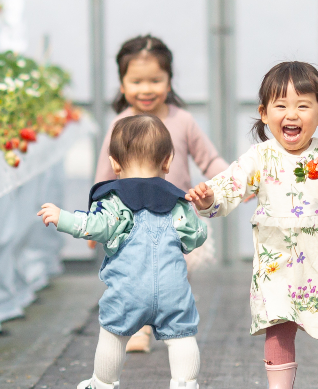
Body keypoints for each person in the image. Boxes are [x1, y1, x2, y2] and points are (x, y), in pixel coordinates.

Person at [186, 61, 318, 389]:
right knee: (278, 322)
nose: (292, 114)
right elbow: (231, 185)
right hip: (277, 258)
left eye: (303, 105)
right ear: (263, 114)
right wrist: (209, 198)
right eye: (281, 105)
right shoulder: (260, 156)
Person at [38, 115, 207, 389]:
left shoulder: (115, 200)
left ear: (115, 164)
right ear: (167, 161)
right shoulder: (178, 202)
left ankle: (104, 387)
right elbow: (196, 237)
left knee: (114, 333)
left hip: (128, 290)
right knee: (181, 335)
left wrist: (62, 217)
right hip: (173, 289)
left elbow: (95, 226)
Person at [94, 34, 228, 352]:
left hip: (175, 217)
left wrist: (233, 183)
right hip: (131, 219)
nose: (146, 89)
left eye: (155, 80)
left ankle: (174, 326)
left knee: (174, 275)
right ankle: (139, 327)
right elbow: (105, 171)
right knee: (135, 274)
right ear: (122, 84)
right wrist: (94, 214)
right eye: (136, 81)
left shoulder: (182, 121)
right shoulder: (121, 124)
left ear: (169, 82)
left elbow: (208, 159)